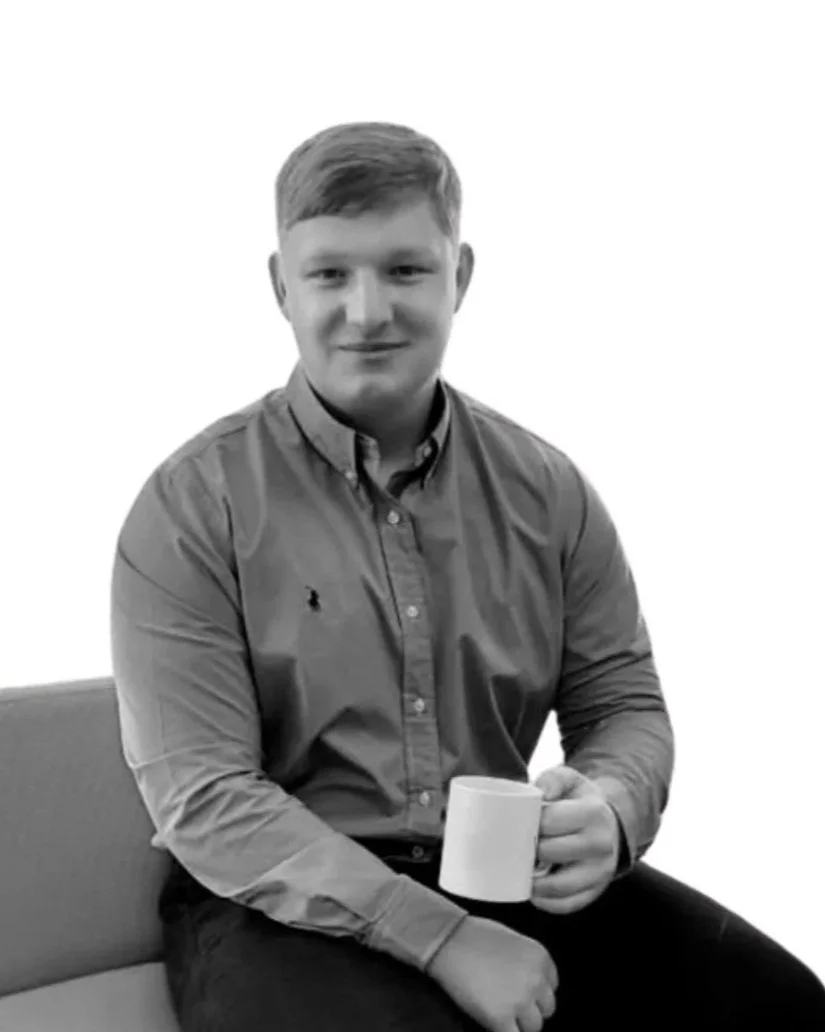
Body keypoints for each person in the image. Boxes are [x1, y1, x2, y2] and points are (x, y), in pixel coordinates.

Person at [110, 120, 825, 1031]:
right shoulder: (191, 504)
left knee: (782, 1007)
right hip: (269, 897)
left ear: (462, 276)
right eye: (330, 272)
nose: (367, 311)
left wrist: (610, 805)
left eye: (405, 269)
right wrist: (445, 939)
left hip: (502, 870)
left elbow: (622, 705)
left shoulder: (549, 490)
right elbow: (208, 802)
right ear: (279, 286)